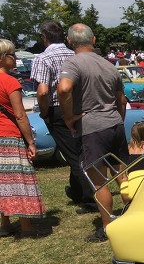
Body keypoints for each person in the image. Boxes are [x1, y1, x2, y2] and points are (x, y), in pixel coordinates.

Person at [57, 23, 130, 242]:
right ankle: (134, 217)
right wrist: (118, 119)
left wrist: (69, 117)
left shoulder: (72, 63)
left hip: (91, 128)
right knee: (123, 177)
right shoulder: (109, 65)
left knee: (99, 182)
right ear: (94, 40)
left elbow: (63, 88)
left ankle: (107, 227)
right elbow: (122, 100)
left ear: (69, 42)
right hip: (115, 124)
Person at [30, 20, 95, 213]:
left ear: (44, 38)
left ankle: (90, 199)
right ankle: (76, 191)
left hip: (57, 109)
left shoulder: (42, 58)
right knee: (76, 149)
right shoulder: (73, 54)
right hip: (78, 107)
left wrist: (44, 113)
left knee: (74, 156)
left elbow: (42, 91)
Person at [0, 39, 47, 238]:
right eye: (12, 55)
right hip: (10, 135)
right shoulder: (10, 82)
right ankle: (26, 225)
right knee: (18, 180)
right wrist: (30, 141)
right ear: (3, 58)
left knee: (2, 182)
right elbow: (20, 115)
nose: (15, 58)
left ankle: (4, 224)